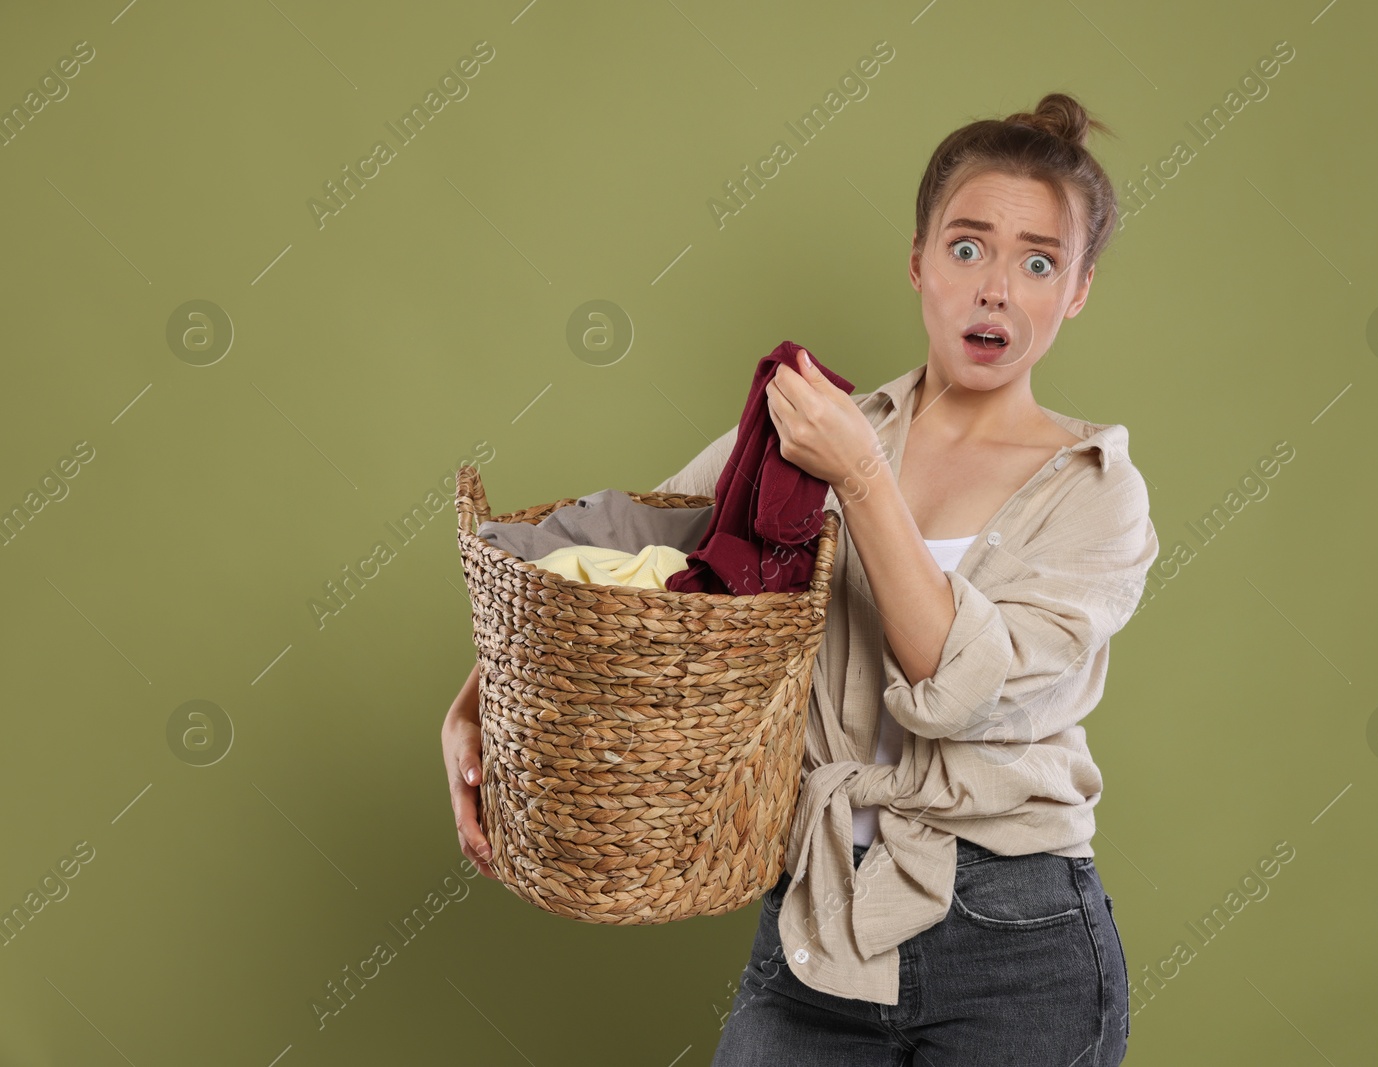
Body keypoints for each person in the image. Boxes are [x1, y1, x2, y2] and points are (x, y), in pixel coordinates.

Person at [442, 90, 1156, 1066]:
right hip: (818, 914)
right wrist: (483, 704)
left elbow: (964, 690)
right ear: (916, 263)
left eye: (1038, 261)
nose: (996, 286)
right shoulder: (814, 433)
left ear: (1074, 291)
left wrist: (861, 476)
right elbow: (637, 578)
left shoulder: (1095, 490)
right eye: (965, 246)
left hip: (1015, 940)